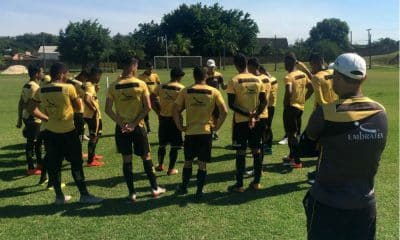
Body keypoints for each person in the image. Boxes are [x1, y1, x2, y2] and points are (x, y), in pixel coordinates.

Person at [303, 53, 387, 240]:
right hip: (365, 205)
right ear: (363, 78)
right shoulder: (381, 112)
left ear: (338, 77)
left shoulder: (324, 113)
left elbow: (304, 149)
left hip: (327, 204)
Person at [28, 62, 103, 204]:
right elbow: (78, 106)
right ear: (62, 74)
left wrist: (46, 118)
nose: (68, 75)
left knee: (54, 165)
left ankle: (59, 197)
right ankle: (84, 195)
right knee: (76, 163)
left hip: (50, 132)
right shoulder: (68, 88)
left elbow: (31, 108)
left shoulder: (41, 90)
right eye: (67, 73)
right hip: (68, 132)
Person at [105, 57, 166, 202]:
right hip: (137, 127)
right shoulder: (140, 84)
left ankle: (132, 193)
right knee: (146, 157)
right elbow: (148, 107)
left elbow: (107, 109)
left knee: (127, 160)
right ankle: (155, 188)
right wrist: (134, 123)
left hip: (122, 129)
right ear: (133, 66)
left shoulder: (113, 86)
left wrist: (121, 123)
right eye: (137, 65)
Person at [173, 67, 227, 197]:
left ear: (194, 77)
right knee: (202, 164)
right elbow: (224, 112)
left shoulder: (185, 91)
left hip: (190, 133)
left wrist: (180, 126)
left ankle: (184, 187)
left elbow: (175, 109)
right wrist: (217, 127)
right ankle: (199, 191)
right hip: (206, 132)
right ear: (206, 77)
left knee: (188, 161)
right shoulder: (214, 91)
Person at [226, 54, 267, 192]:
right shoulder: (257, 79)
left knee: (240, 152)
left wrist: (247, 114)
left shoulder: (234, 80)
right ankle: (256, 183)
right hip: (256, 121)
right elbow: (264, 101)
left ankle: (239, 185)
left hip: (241, 122)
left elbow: (231, 104)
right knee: (256, 150)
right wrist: (255, 115)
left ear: (236, 65)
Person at [282, 52, 313, 169]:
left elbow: (289, 91)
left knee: (291, 134)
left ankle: (297, 161)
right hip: (300, 108)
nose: (284, 64)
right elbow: (311, 88)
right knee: (295, 132)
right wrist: (304, 98)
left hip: (291, 108)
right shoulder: (303, 75)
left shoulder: (289, 76)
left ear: (290, 62)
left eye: (285, 62)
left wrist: (286, 103)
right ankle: (291, 155)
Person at [151, 67, 185, 175]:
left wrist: (157, 111)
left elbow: (152, 97)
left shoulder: (160, 86)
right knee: (174, 146)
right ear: (179, 77)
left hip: (163, 118)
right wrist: (179, 111)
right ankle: (171, 169)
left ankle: (160, 165)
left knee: (162, 144)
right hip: (175, 120)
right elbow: (184, 104)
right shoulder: (181, 88)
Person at [16, 64, 43, 175]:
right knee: (33, 143)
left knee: (33, 142)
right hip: (33, 118)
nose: (43, 74)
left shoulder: (26, 85)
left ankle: (38, 165)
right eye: (42, 72)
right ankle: (32, 167)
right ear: (37, 74)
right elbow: (31, 105)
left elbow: (21, 102)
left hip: (27, 117)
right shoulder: (34, 87)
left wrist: (19, 118)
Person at [83, 67, 104, 167]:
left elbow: (91, 98)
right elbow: (86, 99)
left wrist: (96, 91)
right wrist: (94, 110)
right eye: (99, 76)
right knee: (94, 137)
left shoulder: (91, 85)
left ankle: (93, 155)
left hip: (91, 115)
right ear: (95, 75)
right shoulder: (89, 85)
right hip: (92, 115)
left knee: (97, 134)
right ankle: (90, 160)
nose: (99, 78)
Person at [205, 59, 227, 140]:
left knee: (216, 116)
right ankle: (208, 131)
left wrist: (230, 84)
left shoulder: (219, 75)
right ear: (207, 67)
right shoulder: (204, 76)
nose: (211, 68)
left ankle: (215, 132)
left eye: (213, 67)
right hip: (207, 99)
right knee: (208, 115)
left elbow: (223, 87)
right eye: (210, 67)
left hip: (217, 99)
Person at [138, 62, 161, 133]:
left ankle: (162, 126)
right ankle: (148, 129)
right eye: (149, 69)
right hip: (145, 97)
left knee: (160, 112)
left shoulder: (155, 75)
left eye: (152, 69)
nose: (151, 71)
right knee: (145, 113)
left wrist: (158, 92)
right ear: (146, 68)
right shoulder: (141, 77)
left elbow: (159, 84)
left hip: (154, 97)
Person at [260, 65, 278, 154]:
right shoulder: (274, 78)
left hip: (268, 106)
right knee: (267, 126)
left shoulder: (266, 80)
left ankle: (268, 146)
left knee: (266, 126)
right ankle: (267, 145)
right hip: (272, 105)